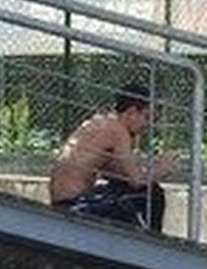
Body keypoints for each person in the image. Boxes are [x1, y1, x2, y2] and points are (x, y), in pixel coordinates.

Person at [48, 84, 175, 231]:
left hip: (65, 202)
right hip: (73, 204)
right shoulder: (118, 131)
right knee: (151, 193)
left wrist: (148, 169)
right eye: (147, 117)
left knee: (138, 192)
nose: (148, 125)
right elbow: (137, 181)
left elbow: (120, 175)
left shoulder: (101, 123)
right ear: (132, 112)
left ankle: (149, 236)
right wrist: (160, 170)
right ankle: (151, 241)